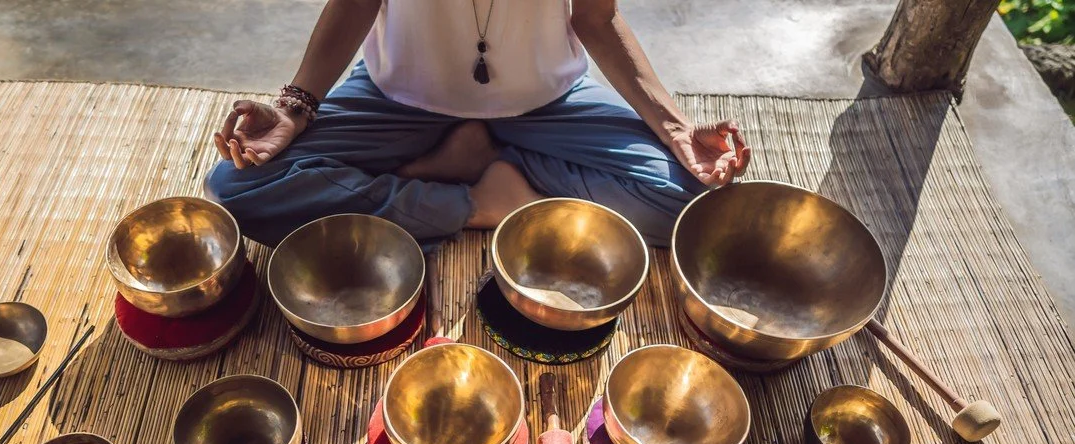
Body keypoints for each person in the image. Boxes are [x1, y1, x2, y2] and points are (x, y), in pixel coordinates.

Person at [205, 0, 751, 247]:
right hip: (398, 97)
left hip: (547, 103)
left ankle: (474, 162)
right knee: (238, 186)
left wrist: (676, 128)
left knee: (696, 205)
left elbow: (595, 15)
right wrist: (296, 107)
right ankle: (485, 202)